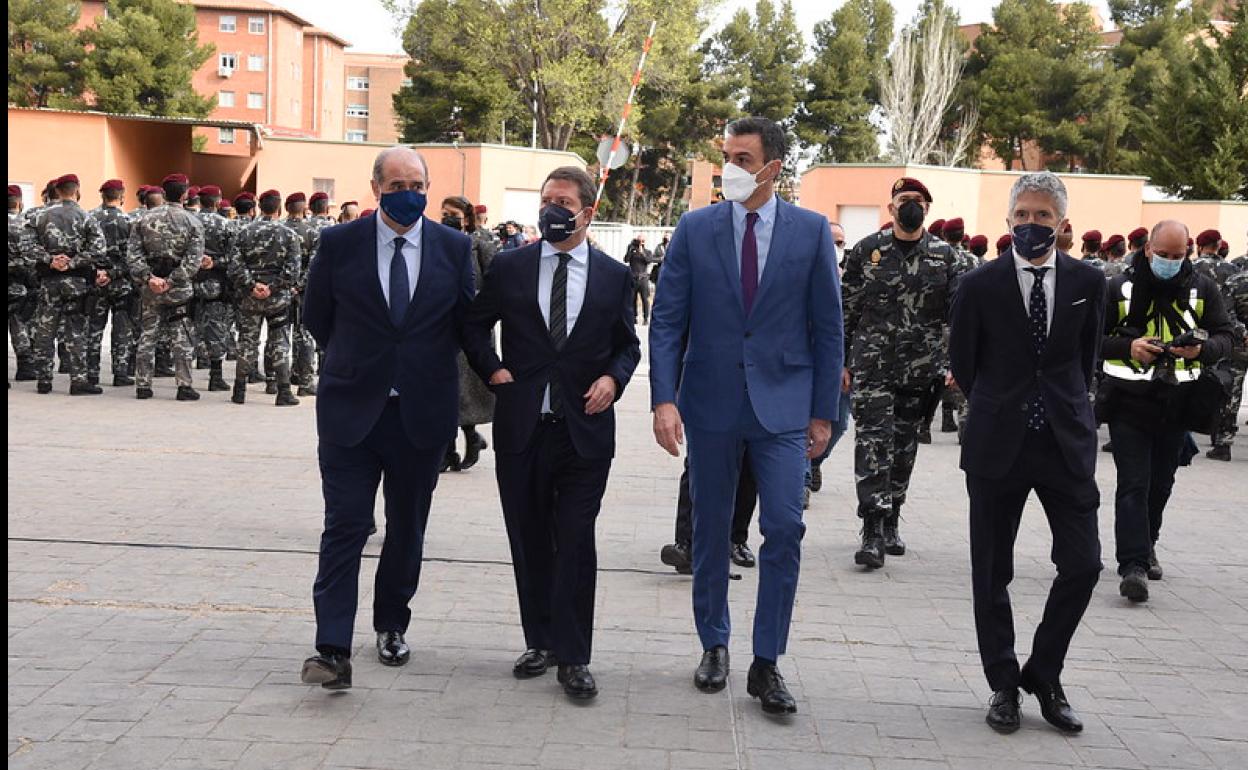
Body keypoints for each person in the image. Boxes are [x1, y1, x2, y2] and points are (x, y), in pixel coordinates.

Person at [650, 116, 842, 715]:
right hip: (709, 404)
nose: (729, 167)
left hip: (784, 408)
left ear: (773, 168)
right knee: (710, 529)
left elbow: (829, 327)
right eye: (726, 155)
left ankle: (767, 660)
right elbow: (668, 320)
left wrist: (824, 414)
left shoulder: (810, 233)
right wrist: (663, 398)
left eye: (742, 156)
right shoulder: (695, 228)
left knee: (784, 527)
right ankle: (714, 642)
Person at [299, 146, 475, 691]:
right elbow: (317, 318)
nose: (409, 192)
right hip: (352, 409)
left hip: (421, 414)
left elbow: (466, 323)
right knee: (345, 526)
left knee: (406, 529)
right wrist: (362, 363)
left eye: (416, 183)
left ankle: (391, 624)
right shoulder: (338, 242)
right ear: (376, 188)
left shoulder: (454, 246)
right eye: (396, 184)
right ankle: (331, 646)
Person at [463, 166, 640, 701]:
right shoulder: (511, 267)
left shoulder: (614, 276)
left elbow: (627, 345)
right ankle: (538, 640)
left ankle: (575, 655)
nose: (551, 210)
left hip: (584, 432)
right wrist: (493, 370)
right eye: (546, 200)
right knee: (531, 537)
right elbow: (473, 324)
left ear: (587, 211)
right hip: (523, 427)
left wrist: (613, 378)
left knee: (576, 540)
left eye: (562, 201)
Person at [949, 171, 1107, 735]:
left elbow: (1085, 360)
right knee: (992, 571)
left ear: (1061, 224)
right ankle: (1002, 684)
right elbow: (965, 363)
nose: (1032, 225)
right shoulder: (979, 285)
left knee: (1085, 564)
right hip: (998, 445)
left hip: (1065, 443)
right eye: (1023, 216)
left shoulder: (1090, 281)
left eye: (1043, 217)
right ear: (1008, 220)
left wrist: (1066, 410)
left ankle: (1044, 672)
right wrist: (999, 405)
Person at [1100, 220, 1235, 603]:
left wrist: (1201, 350)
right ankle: (1133, 566)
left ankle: (1148, 543)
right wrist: (1128, 348)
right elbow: (1090, 337)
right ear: (1147, 249)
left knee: (1161, 483)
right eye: (1163, 255)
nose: (1170, 262)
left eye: (1178, 256)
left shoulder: (1203, 288)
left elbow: (1225, 335)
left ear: (1189, 252)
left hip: (1179, 400)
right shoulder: (1117, 286)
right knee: (1134, 483)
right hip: (1129, 399)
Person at [841, 177, 962, 569]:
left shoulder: (947, 257)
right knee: (873, 443)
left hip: (921, 370)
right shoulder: (866, 251)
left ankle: (892, 515)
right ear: (890, 207)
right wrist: (840, 362)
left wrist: (954, 364)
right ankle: (872, 530)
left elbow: (958, 317)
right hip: (872, 366)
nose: (910, 205)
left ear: (928, 208)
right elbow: (847, 309)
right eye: (903, 199)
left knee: (904, 448)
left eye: (917, 200)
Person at [25, 174, 108, 396]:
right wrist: (73, 263)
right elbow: (99, 249)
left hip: (49, 281)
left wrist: (50, 260)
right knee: (76, 330)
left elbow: (26, 246)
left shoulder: (40, 216)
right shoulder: (86, 217)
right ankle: (78, 381)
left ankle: (44, 380)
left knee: (45, 329)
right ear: (76, 190)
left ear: (57, 190)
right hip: (76, 282)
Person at [125, 173, 205, 400]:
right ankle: (184, 386)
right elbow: (193, 260)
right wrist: (172, 280)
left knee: (148, 335)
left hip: (151, 288)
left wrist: (149, 277)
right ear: (185, 194)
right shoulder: (193, 222)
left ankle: (143, 385)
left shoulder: (143, 219)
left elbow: (133, 255)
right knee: (181, 337)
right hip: (178, 290)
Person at [226, 190, 301, 407]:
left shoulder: (245, 232)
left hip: (250, 299)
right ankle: (283, 391)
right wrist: (272, 287)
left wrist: (252, 285)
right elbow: (293, 270)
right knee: (279, 343)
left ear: (259, 206)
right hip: (277, 299)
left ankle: (239, 391)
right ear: (278, 208)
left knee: (247, 342)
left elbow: (235, 266)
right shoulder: (288, 235)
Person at [439, 195, 495, 472]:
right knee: (445, 390)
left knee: (464, 392)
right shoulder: (435, 241)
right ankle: (448, 451)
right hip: (440, 326)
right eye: (443, 213)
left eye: (453, 214)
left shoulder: (480, 243)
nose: (446, 218)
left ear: (467, 218)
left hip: (471, 328)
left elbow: (495, 284)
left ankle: (470, 438)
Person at [1190, 228, 1242, 460]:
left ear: (1200, 245)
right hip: (1225, 334)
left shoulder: (1191, 267)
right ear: (1219, 245)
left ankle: (1199, 424)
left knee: (1210, 381)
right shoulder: (1233, 270)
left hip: (1200, 331)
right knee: (1228, 387)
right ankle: (1220, 438)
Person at [86, 179, 138, 387]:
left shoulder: (89, 218)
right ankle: (121, 373)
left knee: (94, 329)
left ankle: (91, 373)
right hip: (121, 285)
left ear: (102, 195)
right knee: (122, 330)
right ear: (122, 195)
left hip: (96, 283)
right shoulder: (129, 221)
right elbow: (132, 257)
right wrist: (113, 273)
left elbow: (84, 251)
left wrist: (98, 272)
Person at [193, 185, 235, 392]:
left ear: (200, 202)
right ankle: (215, 376)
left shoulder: (188, 221)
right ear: (219, 202)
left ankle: (184, 377)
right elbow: (234, 258)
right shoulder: (225, 225)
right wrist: (216, 262)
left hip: (187, 283)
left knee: (185, 327)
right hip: (215, 284)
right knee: (216, 328)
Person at [8, 185, 36, 386]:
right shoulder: (25, 226)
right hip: (18, 284)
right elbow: (31, 257)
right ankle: (25, 366)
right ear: (19, 202)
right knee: (19, 323)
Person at [624, 236, 657, 324]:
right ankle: (634, 317)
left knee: (645, 299)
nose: (640, 243)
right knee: (632, 299)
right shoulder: (632, 251)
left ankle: (646, 318)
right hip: (633, 277)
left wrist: (642, 252)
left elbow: (649, 260)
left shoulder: (647, 252)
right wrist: (630, 249)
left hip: (643, 278)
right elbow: (626, 260)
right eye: (639, 241)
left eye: (642, 241)